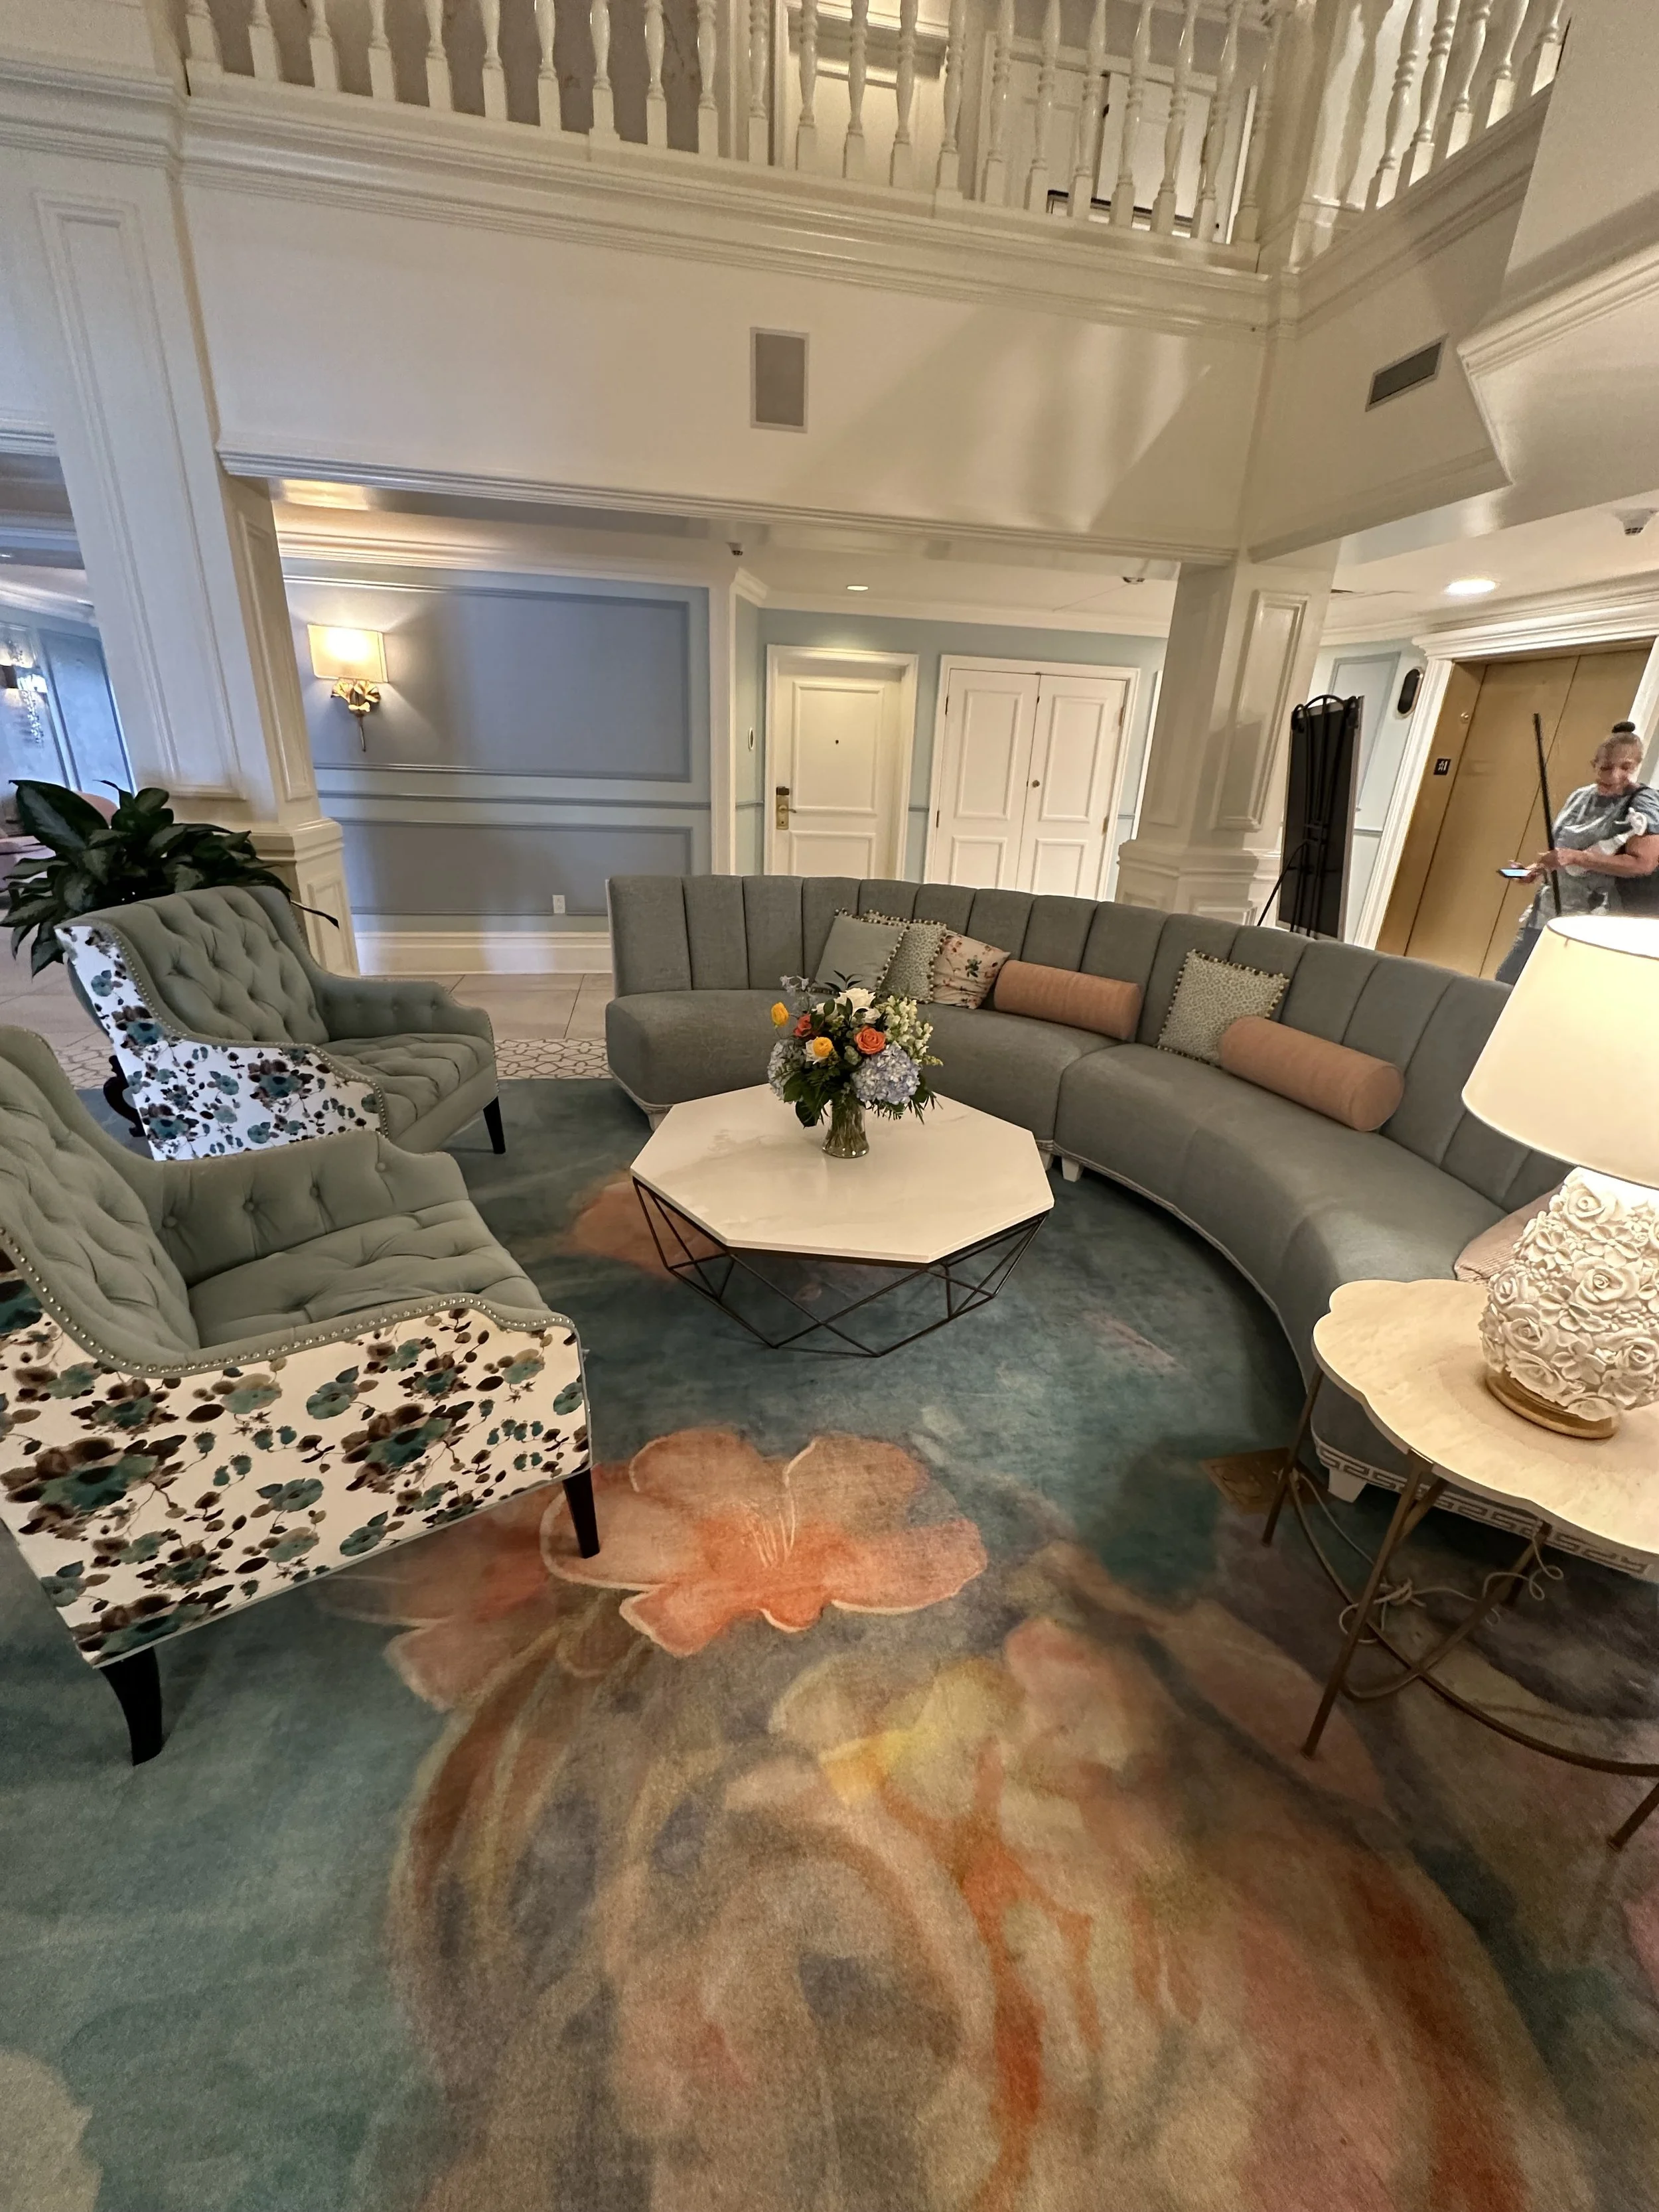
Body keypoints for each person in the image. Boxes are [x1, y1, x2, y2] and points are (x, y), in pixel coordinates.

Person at [1496, 724, 1659, 982]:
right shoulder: (1580, 797)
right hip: (1548, 911)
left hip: (1594, 921)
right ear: (1594, 764)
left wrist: (1577, 858)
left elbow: (1643, 864)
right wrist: (1535, 869)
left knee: (1557, 996)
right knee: (1507, 984)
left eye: (1626, 767)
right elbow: (1563, 850)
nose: (1615, 775)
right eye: (1606, 767)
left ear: (1637, 765)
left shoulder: (1644, 803)